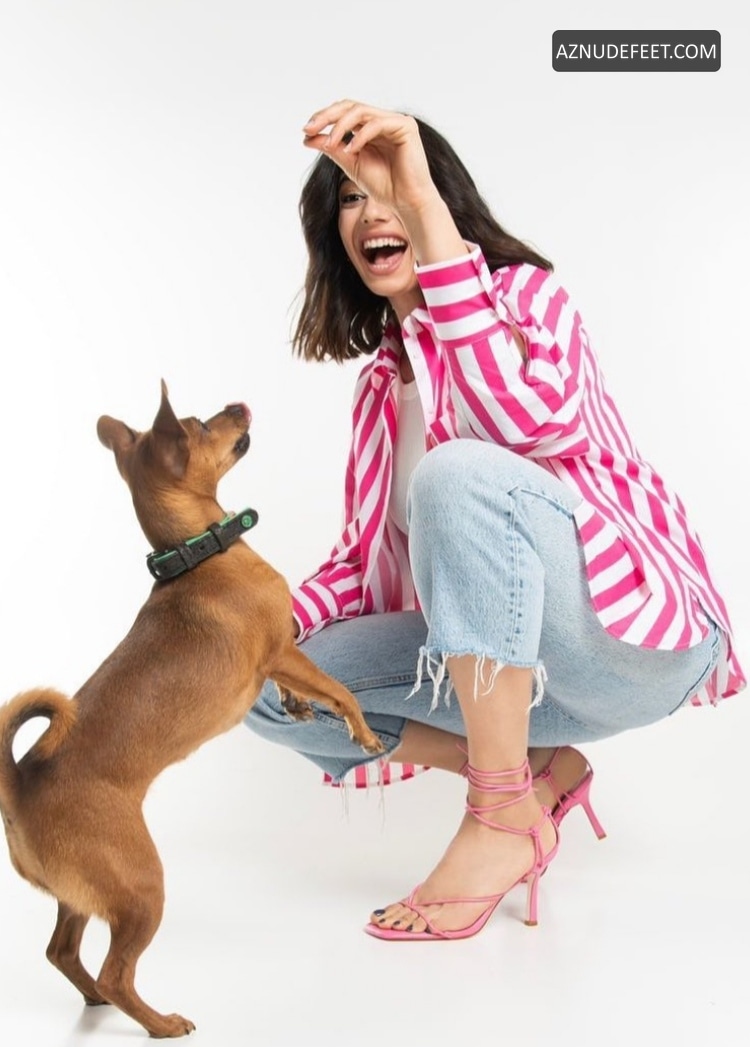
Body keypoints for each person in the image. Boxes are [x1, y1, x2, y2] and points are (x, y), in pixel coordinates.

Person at [245, 99, 746, 940]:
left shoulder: (526, 298)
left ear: (439, 201)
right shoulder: (381, 386)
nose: (371, 212)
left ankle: (498, 816)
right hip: (516, 687)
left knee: (459, 472)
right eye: (350, 197)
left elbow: (526, 422)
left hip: (627, 643)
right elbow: (361, 562)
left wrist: (424, 209)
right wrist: (255, 622)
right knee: (263, 680)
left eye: (392, 189)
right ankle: (525, 774)